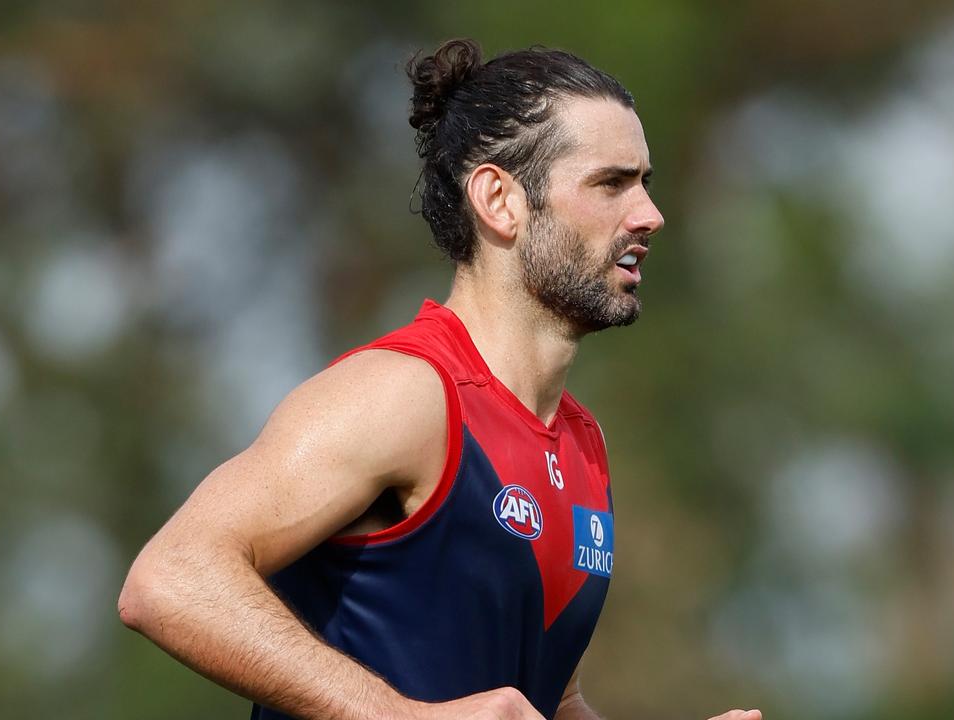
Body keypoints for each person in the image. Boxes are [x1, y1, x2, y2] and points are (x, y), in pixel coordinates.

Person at [118, 38, 762, 720]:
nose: (649, 216)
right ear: (499, 200)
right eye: (611, 183)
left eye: (646, 184)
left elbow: (552, 701)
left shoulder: (581, 443)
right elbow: (170, 579)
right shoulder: (403, 396)